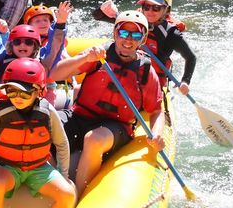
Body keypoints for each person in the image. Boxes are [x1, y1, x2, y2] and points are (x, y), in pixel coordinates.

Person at [51, 11, 166, 197]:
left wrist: (157, 133)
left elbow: (156, 111)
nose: (128, 39)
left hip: (116, 127)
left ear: (143, 39)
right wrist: (84, 59)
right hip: (80, 116)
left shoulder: (145, 71)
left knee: (94, 139)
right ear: (115, 34)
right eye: (123, 33)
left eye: (136, 35)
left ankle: (78, 195)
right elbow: (54, 75)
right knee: (44, 124)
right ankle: (52, 183)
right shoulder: (98, 56)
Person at [0, 58, 76, 208]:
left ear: (39, 91)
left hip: (39, 167)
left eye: (24, 93)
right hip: (7, 167)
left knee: (67, 195)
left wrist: (64, 175)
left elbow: (61, 143)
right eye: (11, 92)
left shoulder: (47, 111)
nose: (17, 98)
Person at [92, 0, 196, 95]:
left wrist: (185, 81)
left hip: (150, 82)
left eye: (156, 7)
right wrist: (104, 8)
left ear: (167, 10)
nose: (150, 11)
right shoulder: (132, 21)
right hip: (125, 72)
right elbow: (97, 16)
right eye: (146, 7)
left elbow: (191, 57)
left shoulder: (171, 34)